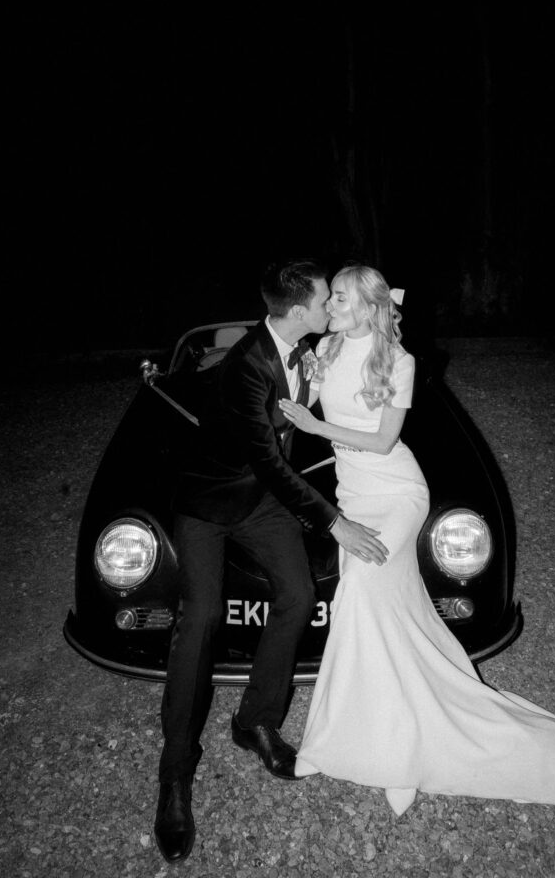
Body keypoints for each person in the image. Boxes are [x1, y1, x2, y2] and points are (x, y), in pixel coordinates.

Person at [280, 263, 555, 816]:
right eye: (332, 301)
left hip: (396, 493)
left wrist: (315, 427)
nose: (330, 308)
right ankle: (338, 741)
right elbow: (290, 387)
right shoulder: (325, 348)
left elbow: (381, 440)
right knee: (377, 613)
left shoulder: (399, 360)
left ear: (370, 306)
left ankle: (400, 755)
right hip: (353, 497)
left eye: (341, 299)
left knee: (360, 595)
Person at [154, 258, 389, 863]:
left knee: (299, 595)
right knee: (200, 617)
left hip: (260, 502)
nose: (330, 307)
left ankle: (254, 720)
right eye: (323, 301)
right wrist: (337, 522)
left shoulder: (303, 345)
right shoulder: (244, 370)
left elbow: (370, 333)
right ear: (296, 312)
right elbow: (273, 464)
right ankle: (175, 774)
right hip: (211, 500)